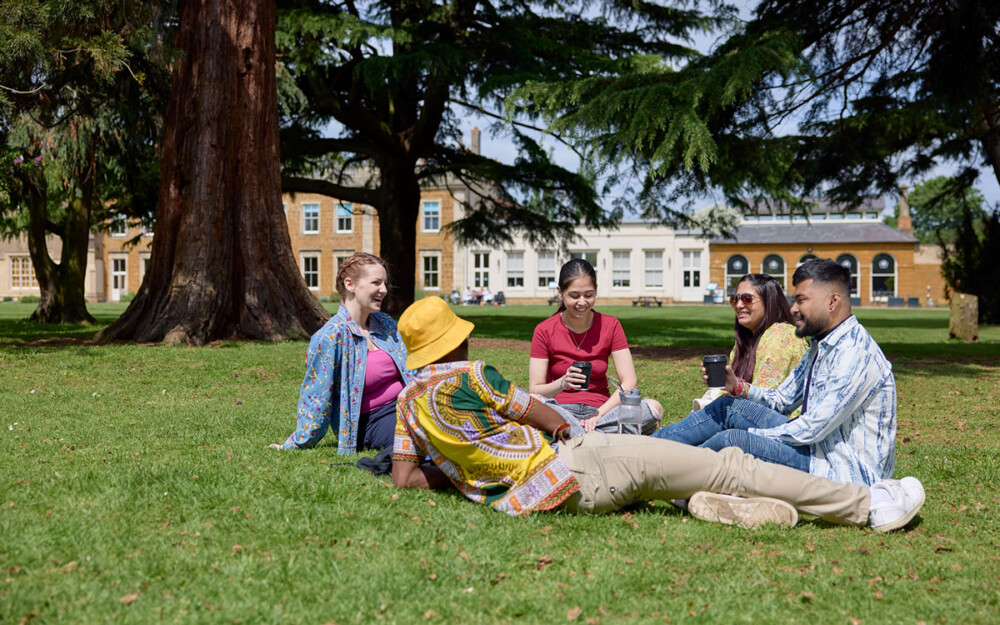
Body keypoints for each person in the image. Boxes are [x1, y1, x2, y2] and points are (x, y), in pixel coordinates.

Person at [390, 296, 925, 532]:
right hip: (580, 463)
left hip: (531, 501)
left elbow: (406, 477)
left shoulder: (405, 405)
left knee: (678, 470)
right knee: (732, 461)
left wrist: (471, 471)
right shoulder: (474, 375)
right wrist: (581, 430)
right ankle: (867, 506)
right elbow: (543, 414)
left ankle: (705, 502)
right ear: (453, 344)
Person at [653, 259, 896, 486]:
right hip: (818, 448)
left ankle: (660, 471)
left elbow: (812, 429)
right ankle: (646, 448)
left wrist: (750, 433)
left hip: (842, 470)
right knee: (729, 407)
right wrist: (738, 387)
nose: (793, 309)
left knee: (732, 439)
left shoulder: (855, 353)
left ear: (832, 302)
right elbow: (781, 401)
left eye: (801, 301)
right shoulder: (821, 346)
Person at [271, 253, 413, 454]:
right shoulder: (330, 337)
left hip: (408, 404)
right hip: (371, 420)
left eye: (385, 284)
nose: (384, 290)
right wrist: (295, 443)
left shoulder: (385, 323)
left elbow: (413, 368)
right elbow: (317, 396)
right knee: (416, 437)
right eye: (376, 283)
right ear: (350, 284)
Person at [529, 259, 662, 436]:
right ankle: (597, 435)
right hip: (561, 410)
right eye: (574, 296)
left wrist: (598, 415)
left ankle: (574, 434)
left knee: (653, 408)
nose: (582, 302)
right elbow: (536, 389)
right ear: (560, 293)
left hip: (602, 411)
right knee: (533, 401)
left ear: (596, 292)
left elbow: (629, 383)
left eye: (589, 295)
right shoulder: (544, 330)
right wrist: (563, 382)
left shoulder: (610, 325)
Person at [694, 274, 808, 411]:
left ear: (769, 301)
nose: (739, 305)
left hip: (783, 423)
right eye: (734, 299)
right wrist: (724, 382)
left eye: (747, 299)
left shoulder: (781, 335)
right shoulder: (746, 339)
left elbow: (763, 399)